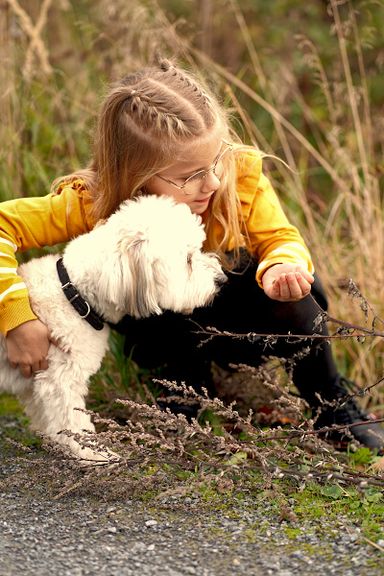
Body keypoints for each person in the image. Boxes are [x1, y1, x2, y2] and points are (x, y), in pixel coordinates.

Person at [1, 59, 383, 451]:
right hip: (167, 333)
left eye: (216, 161)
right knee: (136, 277)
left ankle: (333, 407)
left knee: (305, 292)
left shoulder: (240, 177)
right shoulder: (92, 204)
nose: (213, 181)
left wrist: (281, 265)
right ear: (136, 174)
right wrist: (17, 318)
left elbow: (280, 236)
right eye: (190, 175)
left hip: (233, 319)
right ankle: (183, 390)